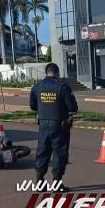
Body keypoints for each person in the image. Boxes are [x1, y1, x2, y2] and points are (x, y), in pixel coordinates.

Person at [29, 63, 78, 191]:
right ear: (57, 73)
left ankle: (39, 182)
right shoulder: (62, 86)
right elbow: (73, 107)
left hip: (43, 125)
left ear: (46, 72)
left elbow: (32, 106)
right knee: (59, 153)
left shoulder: (37, 86)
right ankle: (56, 184)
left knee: (42, 151)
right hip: (59, 126)